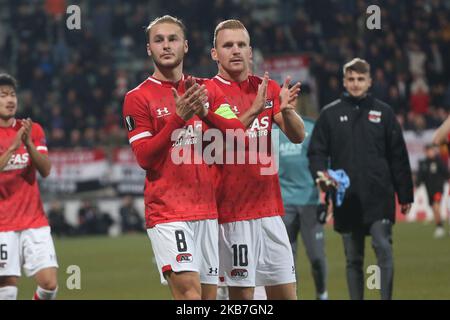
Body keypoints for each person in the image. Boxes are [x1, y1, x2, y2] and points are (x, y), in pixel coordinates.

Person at [122, 15, 244, 300]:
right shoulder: (137, 98)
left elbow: (237, 132)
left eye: (173, 39)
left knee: (208, 299)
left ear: (185, 46)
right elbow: (145, 158)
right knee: (190, 295)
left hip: (207, 211)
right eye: (159, 40)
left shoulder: (208, 90)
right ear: (148, 49)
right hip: (168, 213)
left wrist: (204, 112)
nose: (166, 46)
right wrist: (178, 118)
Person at [210, 19, 304, 300]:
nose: (235, 50)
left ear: (251, 52)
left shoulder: (268, 88)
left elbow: (298, 135)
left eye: (241, 45)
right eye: (228, 45)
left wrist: (286, 111)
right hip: (232, 215)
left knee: (287, 296)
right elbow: (230, 134)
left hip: (270, 211)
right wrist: (256, 108)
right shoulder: (208, 92)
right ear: (215, 53)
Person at [308, 58, 414, 300]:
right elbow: (316, 152)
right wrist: (321, 175)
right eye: (351, 79)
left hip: (380, 197)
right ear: (344, 81)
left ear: (369, 82)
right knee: (353, 258)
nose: (356, 84)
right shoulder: (330, 114)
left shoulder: (384, 113)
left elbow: (398, 155)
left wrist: (405, 193)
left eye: (360, 79)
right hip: (348, 199)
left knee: (383, 247)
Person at [0, 73, 58, 300]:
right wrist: (13, 149)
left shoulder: (32, 130)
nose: (10, 100)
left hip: (34, 221)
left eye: (12, 94)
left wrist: (28, 145)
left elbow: (45, 170)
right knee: (7, 287)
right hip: (2, 224)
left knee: (49, 284)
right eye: (3, 95)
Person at [276, 115, 328, 300]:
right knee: (288, 261)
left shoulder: (311, 128)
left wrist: (325, 196)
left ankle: (322, 293)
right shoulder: (272, 130)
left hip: (309, 202)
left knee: (317, 258)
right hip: (284, 204)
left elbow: (322, 162)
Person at [416, 144, 449, 238]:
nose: (430, 152)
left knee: (436, 206)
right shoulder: (424, 163)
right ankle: (439, 226)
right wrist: (417, 184)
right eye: (428, 151)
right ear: (425, 152)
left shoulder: (439, 162)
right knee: (433, 208)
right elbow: (420, 176)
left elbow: (446, 173)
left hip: (438, 188)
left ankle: (440, 227)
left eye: (431, 150)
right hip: (429, 190)